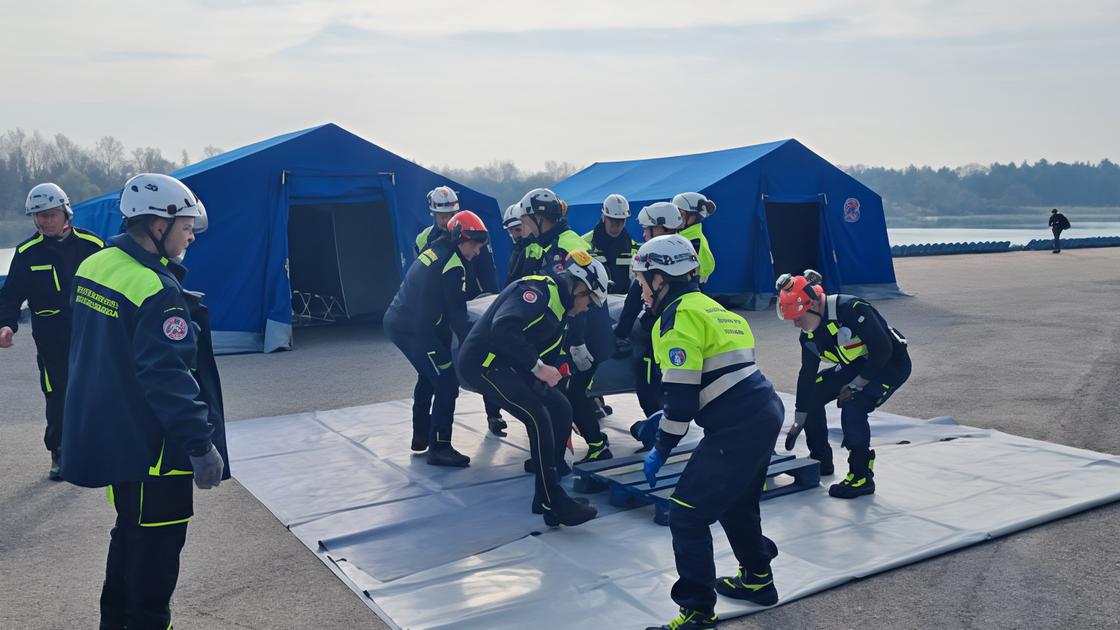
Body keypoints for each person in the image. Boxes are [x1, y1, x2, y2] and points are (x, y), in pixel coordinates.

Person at [62, 173, 229, 629]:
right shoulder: (157, 292)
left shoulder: (97, 264)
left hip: (115, 439)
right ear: (158, 226)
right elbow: (169, 378)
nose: (192, 235)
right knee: (153, 568)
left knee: (128, 540)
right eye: (187, 226)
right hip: (155, 453)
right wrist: (200, 445)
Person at [635, 235, 784, 630]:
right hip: (762, 410)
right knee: (736, 503)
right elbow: (713, 379)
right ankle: (758, 579)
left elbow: (682, 404)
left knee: (685, 515)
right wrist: (667, 414)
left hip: (737, 425)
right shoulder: (713, 308)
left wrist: (661, 446)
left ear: (661, 278)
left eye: (642, 279)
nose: (641, 289)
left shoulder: (676, 317)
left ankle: (698, 612)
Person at [457, 250, 607, 527]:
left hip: (510, 363)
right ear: (578, 287)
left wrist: (549, 372)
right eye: (589, 300)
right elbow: (503, 329)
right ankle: (553, 500)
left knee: (561, 407)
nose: (588, 308)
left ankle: (547, 486)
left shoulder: (562, 307)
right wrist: (537, 368)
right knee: (537, 416)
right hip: (484, 363)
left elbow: (545, 346)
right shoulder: (537, 293)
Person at [0, 182, 103, 480]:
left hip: (91, 337)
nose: (45, 221)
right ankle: (59, 451)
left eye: (50, 214)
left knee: (94, 392)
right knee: (57, 395)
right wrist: (6, 324)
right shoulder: (27, 252)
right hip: (51, 341)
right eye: (39, 216)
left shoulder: (92, 246)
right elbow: (10, 295)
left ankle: (94, 448)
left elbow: (115, 288)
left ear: (65, 212)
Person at [777, 270, 911, 498]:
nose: (796, 325)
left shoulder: (852, 309)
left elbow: (883, 349)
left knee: (854, 405)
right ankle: (821, 459)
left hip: (890, 364)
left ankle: (861, 477)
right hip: (858, 364)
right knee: (813, 395)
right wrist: (799, 418)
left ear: (813, 306)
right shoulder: (809, 336)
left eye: (798, 318)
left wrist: (856, 385)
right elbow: (807, 375)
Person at [385, 211, 491, 467]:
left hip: (401, 322)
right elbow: (457, 315)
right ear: (459, 238)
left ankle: (421, 436)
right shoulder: (453, 265)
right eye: (474, 244)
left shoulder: (435, 250)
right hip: (415, 331)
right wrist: (477, 345)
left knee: (428, 376)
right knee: (446, 381)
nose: (477, 251)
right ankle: (440, 447)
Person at [519, 188, 615, 464]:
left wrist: (577, 342)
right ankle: (576, 449)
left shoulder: (569, 246)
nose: (525, 228)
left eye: (527, 221)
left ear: (540, 218)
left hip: (585, 334)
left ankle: (577, 451)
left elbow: (585, 296)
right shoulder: (550, 244)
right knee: (563, 394)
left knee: (566, 395)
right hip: (572, 335)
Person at [416, 186, 507, 435]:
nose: (447, 220)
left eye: (451, 214)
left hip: (471, 304)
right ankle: (422, 431)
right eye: (442, 216)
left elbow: (488, 271)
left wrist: (490, 300)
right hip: (441, 312)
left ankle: (493, 413)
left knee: (481, 358)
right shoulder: (424, 239)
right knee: (430, 374)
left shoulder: (472, 229)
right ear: (433, 214)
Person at [615, 202, 687, 419]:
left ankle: (658, 431)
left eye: (647, 229)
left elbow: (634, 300)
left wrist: (619, 334)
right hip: (679, 328)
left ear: (661, 228)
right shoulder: (685, 250)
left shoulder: (652, 258)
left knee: (647, 382)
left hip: (656, 332)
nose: (644, 235)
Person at [581, 193, 638, 294]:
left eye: (621, 220)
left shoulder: (632, 246)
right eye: (612, 219)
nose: (616, 224)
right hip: (594, 300)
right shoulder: (584, 243)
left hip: (623, 300)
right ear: (603, 217)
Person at [672, 192, 717, 286]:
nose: (675, 218)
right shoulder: (687, 236)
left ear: (693, 216)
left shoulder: (693, 241)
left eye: (680, 213)